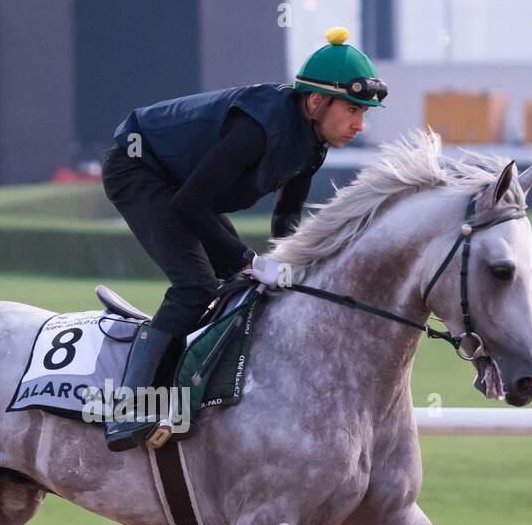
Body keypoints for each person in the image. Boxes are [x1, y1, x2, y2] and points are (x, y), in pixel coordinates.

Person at [100, 26, 387, 451]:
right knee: (195, 286)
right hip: (138, 168)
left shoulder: (313, 144)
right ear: (315, 100)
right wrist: (249, 260)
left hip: (183, 186)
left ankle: (196, 383)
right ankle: (128, 407)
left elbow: (286, 217)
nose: (359, 125)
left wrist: (299, 268)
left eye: (364, 113)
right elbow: (188, 205)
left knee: (240, 282)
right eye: (352, 110)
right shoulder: (258, 128)